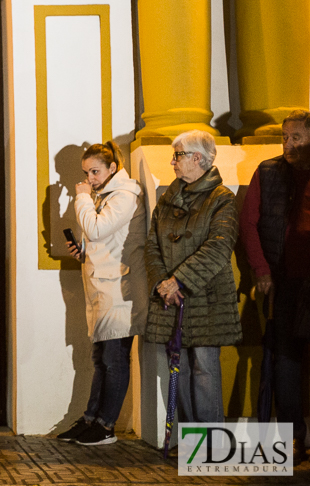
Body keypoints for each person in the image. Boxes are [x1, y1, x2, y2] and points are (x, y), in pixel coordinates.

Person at [145, 130, 241, 427]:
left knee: (205, 368)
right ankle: (191, 441)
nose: (172, 161)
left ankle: (212, 440)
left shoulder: (222, 199)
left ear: (197, 158)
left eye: (178, 155)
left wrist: (179, 280)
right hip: (170, 297)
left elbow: (219, 247)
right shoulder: (167, 198)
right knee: (179, 367)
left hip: (205, 297)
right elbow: (151, 245)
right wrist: (163, 282)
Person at [57, 141, 147, 446]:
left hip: (120, 290)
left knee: (114, 359)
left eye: (95, 171)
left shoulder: (124, 196)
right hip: (104, 287)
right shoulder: (106, 195)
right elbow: (103, 240)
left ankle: (106, 426)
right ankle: (91, 419)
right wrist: (83, 252)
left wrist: (80, 199)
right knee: (101, 358)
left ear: (113, 168)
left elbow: (96, 229)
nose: (89, 179)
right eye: (86, 173)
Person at [240, 109, 310, 462]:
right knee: (285, 359)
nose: (288, 144)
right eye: (285, 136)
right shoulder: (268, 171)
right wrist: (261, 270)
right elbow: (248, 222)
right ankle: (292, 438)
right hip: (282, 282)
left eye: (296, 137)